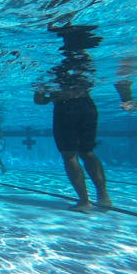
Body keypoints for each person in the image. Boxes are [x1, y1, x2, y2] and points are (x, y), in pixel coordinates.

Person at [34, 23, 112, 212]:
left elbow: (39, 100)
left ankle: (84, 201)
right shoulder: (87, 65)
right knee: (88, 152)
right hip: (88, 105)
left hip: (66, 109)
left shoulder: (57, 71)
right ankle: (104, 197)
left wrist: (48, 93)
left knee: (70, 155)